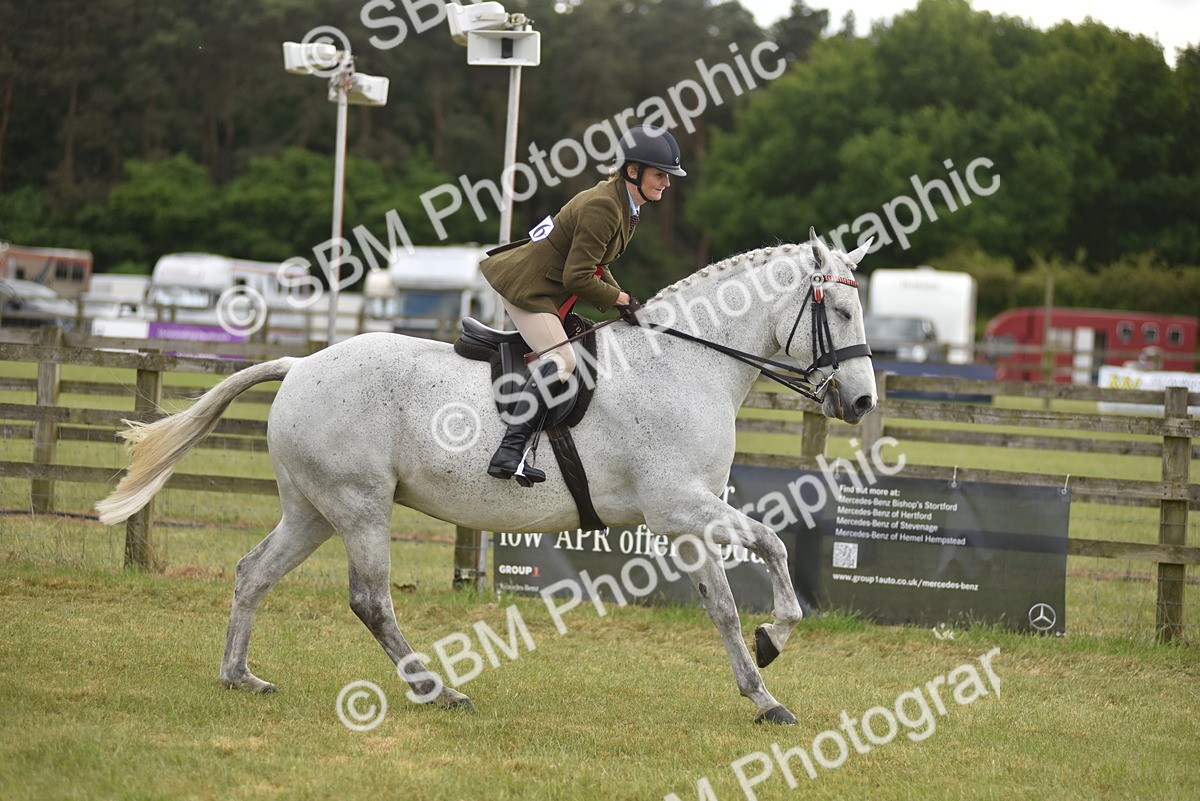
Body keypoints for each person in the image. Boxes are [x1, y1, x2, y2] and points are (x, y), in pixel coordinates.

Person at [478, 123, 686, 484]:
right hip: (529, 288)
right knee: (562, 360)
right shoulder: (603, 207)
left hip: (547, 288)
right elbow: (577, 277)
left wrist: (624, 301)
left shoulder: (623, 204)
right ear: (632, 171)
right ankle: (509, 451)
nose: (667, 183)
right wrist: (621, 299)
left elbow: (597, 265)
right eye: (660, 174)